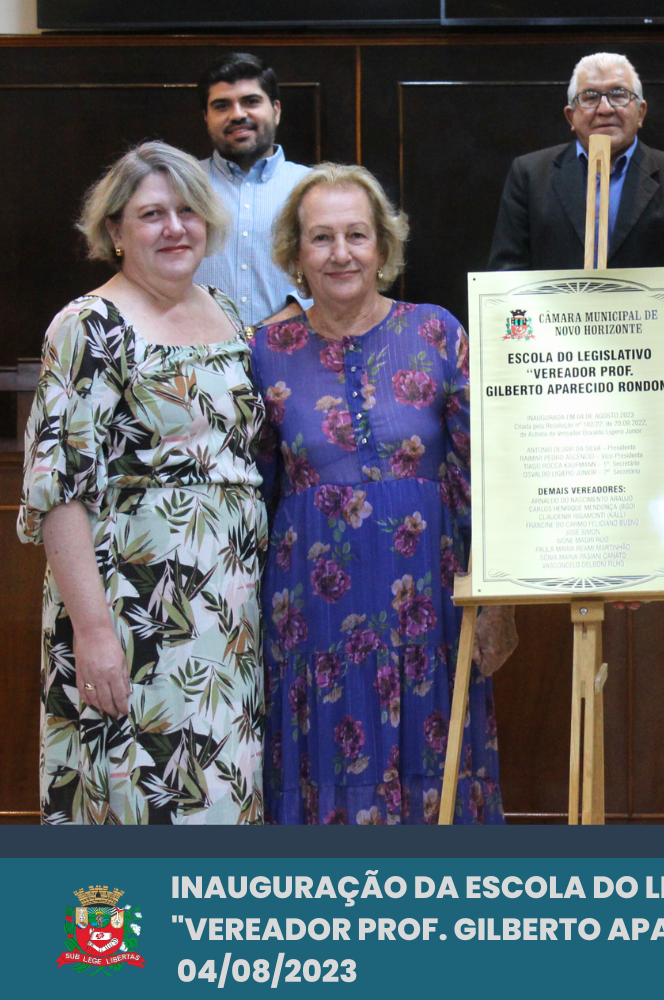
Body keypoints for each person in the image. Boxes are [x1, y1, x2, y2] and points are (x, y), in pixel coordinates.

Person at [18, 141, 266, 824]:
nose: (175, 228)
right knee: (138, 798)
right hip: (133, 616)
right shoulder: (88, 325)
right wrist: (93, 632)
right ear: (115, 230)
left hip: (225, 620)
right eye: (152, 214)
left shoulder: (224, 311)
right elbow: (57, 493)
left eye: (188, 210)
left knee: (222, 796)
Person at [252, 163, 505, 825]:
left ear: (383, 247)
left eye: (357, 235)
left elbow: (485, 472)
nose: (341, 253)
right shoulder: (263, 352)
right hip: (311, 616)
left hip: (432, 604)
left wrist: (498, 601)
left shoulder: (436, 333)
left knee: (439, 774)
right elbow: (251, 494)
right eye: (321, 238)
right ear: (294, 254)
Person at [487, 51, 664, 314]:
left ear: (641, 112)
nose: (605, 109)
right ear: (570, 116)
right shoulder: (529, 175)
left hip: (644, 344)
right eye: (590, 97)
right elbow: (505, 274)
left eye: (619, 94)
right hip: (551, 345)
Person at [195, 52, 311, 326]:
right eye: (222, 106)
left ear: (276, 110)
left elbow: (338, 269)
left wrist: (267, 331)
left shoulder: (314, 187)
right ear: (206, 117)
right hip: (198, 356)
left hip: (297, 351)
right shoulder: (181, 186)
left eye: (251, 102)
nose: (237, 115)